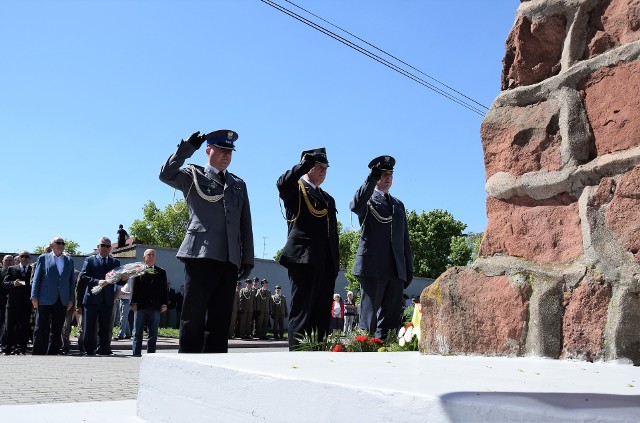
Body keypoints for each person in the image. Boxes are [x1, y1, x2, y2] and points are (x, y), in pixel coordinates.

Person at [159, 129, 254, 353]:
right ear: (208, 150)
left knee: (221, 319)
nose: (226, 155)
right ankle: (189, 363)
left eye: (230, 151)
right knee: (194, 315)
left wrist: (246, 258)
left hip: (229, 258)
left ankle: (216, 364)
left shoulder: (238, 184)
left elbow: (245, 224)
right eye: (221, 150)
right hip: (200, 255)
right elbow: (166, 174)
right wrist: (186, 149)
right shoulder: (193, 175)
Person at [277, 148, 339, 350]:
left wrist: (334, 264)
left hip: (325, 263)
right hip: (303, 260)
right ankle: (298, 358)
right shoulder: (297, 189)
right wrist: (302, 165)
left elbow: (332, 235)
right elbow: (282, 184)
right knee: (302, 313)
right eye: (318, 166)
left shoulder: (328, 198)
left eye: (325, 168)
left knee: (321, 316)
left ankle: (318, 357)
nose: (323, 171)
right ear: (308, 167)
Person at [350, 155, 414, 340]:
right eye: (383, 174)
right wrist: (371, 178)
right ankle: (364, 351)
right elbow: (355, 205)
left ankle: (387, 354)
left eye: (390, 174)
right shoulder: (367, 200)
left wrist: (408, 268)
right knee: (368, 318)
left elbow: (404, 240)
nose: (388, 177)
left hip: (395, 269)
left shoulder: (398, 205)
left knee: (391, 321)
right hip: (373, 267)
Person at [79, 237, 124, 356]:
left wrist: (124, 279)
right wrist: (97, 281)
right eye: (102, 245)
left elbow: (119, 281)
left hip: (107, 300)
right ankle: (88, 350)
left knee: (105, 327)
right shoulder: (90, 260)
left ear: (111, 248)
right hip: (92, 299)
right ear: (98, 247)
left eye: (108, 246)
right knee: (90, 327)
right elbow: (83, 276)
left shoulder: (115, 262)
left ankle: (104, 349)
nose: (105, 248)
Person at [30, 237, 76, 355]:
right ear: (51, 245)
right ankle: (39, 352)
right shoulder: (43, 258)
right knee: (41, 326)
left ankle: (53, 352)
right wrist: (34, 296)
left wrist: (71, 298)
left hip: (62, 299)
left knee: (57, 328)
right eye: (58, 243)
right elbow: (37, 278)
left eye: (63, 243)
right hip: (45, 298)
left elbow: (71, 281)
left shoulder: (69, 260)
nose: (61, 245)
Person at [130, 249, 168, 356]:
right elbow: (134, 287)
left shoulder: (161, 272)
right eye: (149, 255)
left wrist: (164, 304)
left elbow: (164, 289)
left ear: (155, 257)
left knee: (153, 333)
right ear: (144, 257)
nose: (151, 256)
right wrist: (133, 302)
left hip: (155, 306)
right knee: (137, 332)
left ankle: (151, 354)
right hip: (140, 306)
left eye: (153, 255)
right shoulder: (138, 270)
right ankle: (136, 353)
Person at [2, 251, 33, 355]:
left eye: (26, 256)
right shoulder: (12, 269)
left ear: (30, 258)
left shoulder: (32, 270)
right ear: (19, 258)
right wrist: (13, 283)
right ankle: (7, 348)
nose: (24, 258)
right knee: (9, 326)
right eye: (22, 256)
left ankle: (21, 349)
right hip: (12, 303)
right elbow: (4, 284)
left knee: (24, 327)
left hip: (26, 304)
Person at [0, 254, 14, 350]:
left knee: (7, 323)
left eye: (10, 260)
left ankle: (4, 344)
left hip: (12, 301)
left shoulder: (16, 271)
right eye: (6, 260)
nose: (8, 262)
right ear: (2, 262)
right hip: (1, 300)